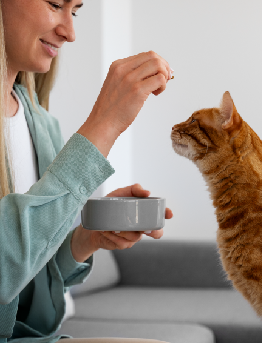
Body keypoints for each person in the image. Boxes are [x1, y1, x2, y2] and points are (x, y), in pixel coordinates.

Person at [0, 0, 173, 342]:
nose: (70, 32)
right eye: (54, 5)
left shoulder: (42, 124)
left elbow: (32, 278)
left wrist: (85, 239)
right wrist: (104, 124)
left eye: (74, 11)